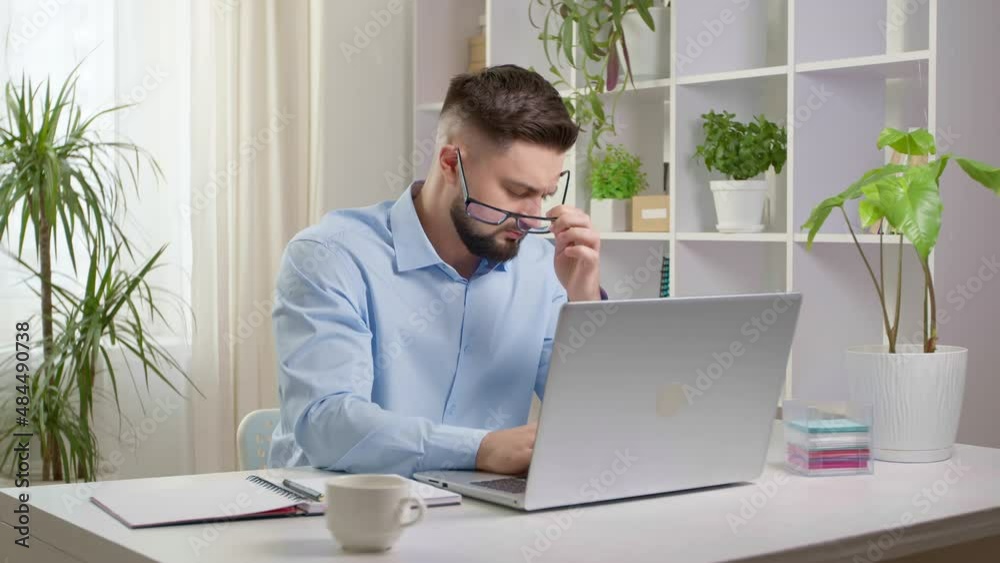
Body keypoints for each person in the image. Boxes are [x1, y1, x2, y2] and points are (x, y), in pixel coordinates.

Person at [268, 65, 603, 477]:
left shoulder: (542, 267)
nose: (533, 217)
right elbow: (327, 423)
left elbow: (591, 420)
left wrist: (584, 300)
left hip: (482, 506)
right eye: (518, 192)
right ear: (449, 164)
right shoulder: (330, 257)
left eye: (545, 195)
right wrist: (479, 450)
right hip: (340, 504)